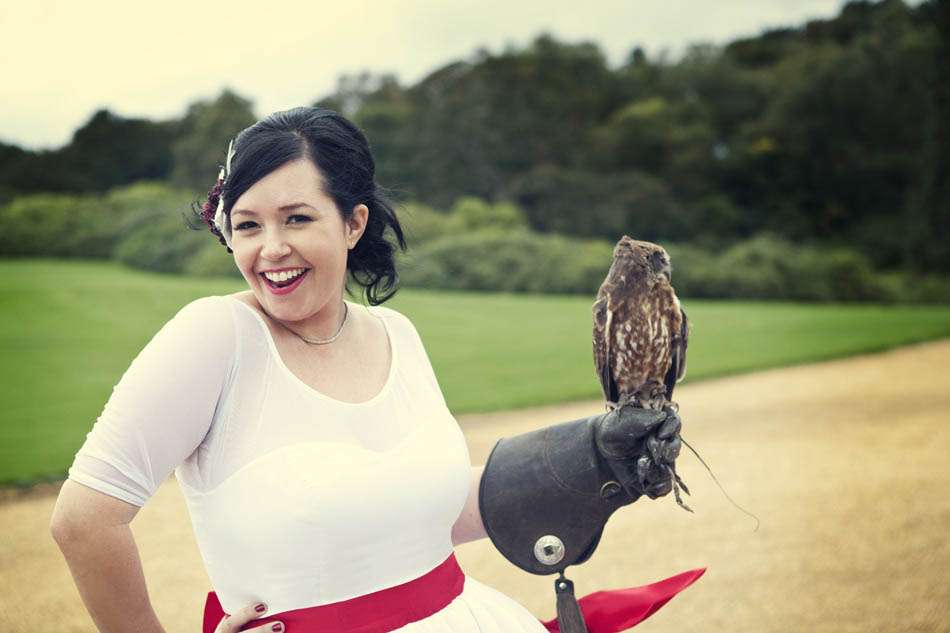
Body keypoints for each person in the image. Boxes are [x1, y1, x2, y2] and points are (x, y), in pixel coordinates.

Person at [50, 106, 703, 633]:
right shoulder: (215, 336)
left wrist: (589, 457)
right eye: (247, 225)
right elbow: (84, 521)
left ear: (353, 222)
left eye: (297, 218)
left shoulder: (398, 333)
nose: (271, 248)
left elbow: (417, 509)